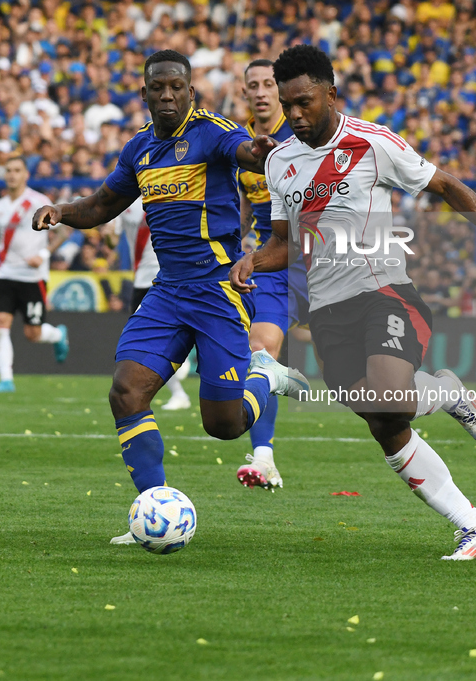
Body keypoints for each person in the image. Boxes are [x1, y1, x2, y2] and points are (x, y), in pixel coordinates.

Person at [230, 45, 476, 560]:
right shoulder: (281, 162)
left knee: (392, 399)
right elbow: (284, 243)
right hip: (327, 312)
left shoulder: (372, 143)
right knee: (385, 424)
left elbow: (445, 185)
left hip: (383, 294)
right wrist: (252, 260)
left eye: (304, 102)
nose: (294, 115)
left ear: (330, 94)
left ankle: (446, 392)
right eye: (288, 105)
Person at [33, 49, 309, 544]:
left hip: (218, 290)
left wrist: (262, 150)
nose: (166, 95)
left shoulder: (213, 131)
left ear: (190, 92)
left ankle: (264, 375)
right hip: (168, 291)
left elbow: (245, 151)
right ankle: (151, 510)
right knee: (126, 391)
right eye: (157, 87)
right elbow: (101, 205)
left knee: (223, 426)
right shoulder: (139, 150)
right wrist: (60, 211)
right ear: (144, 93)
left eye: (176, 87)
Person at [236, 59, 310, 490]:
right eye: (254, 86)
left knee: (375, 381)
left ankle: (444, 393)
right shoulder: (240, 143)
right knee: (261, 353)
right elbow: (246, 202)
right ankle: (264, 458)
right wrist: (237, 244)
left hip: (324, 260)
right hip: (275, 261)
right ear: (246, 92)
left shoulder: (302, 131)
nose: (261, 92)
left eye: (269, 85)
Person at [0, 155, 69, 392]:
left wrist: (44, 255)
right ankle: (6, 379)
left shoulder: (38, 202)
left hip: (32, 277)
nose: (11, 174)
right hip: (5, 274)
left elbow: (63, 231)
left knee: (32, 333)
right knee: (1, 323)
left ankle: (58, 335)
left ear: (26, 175)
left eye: (17, 170)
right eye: (8, 170)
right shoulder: (0, 207)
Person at [113, 197, 192, 410]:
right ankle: (179, 393)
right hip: (141, 277)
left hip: (169, 273)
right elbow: (113, 240)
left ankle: (184, 364)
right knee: (146, 336)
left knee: (173, 326)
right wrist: (108, 233)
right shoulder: (123, 200)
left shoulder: (166, 192)